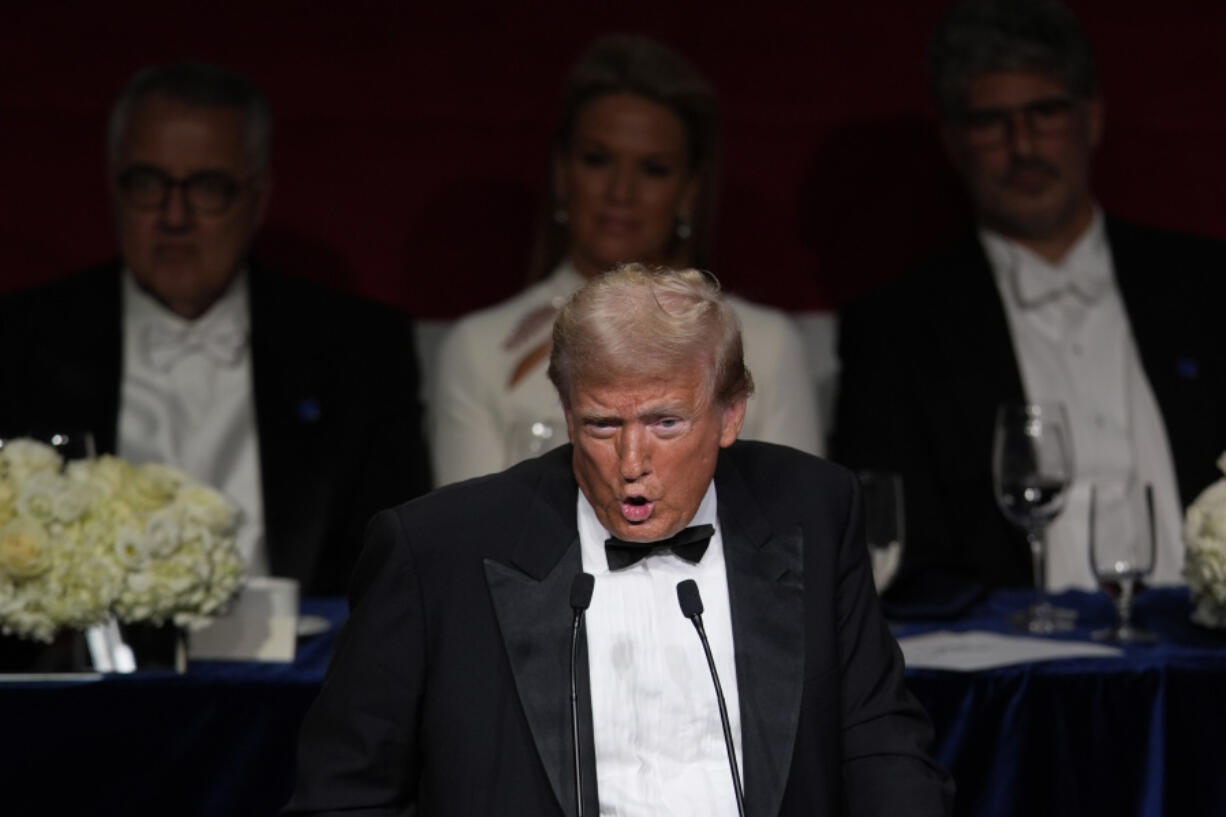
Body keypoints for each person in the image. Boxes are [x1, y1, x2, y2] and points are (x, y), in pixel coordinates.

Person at [286, 264, 951, 816]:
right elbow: (342, 798)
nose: (632, 460)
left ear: (730, 413)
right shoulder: (435, 551)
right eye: (602, 424)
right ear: (567, 408)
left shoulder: (813, 507)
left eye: (665, 421)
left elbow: (879, 743)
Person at [832, 0, 1226, 594]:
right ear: (954, 141)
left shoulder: (1208, 286)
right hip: (1016, 675)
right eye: (992, 123)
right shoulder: (896, 327)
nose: (1023, 147)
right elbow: (895, 543)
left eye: (1045, 113)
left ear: (1091, 118)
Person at [0, 62, 432, 596]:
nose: (175, 216)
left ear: (258, 197)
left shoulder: (359, 349)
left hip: (304, 674)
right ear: (113, 186)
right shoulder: (18, 342)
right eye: (148, 183)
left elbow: (396, 569)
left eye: (208, 187)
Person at [430, 34, 821, 487]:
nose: (621, 192)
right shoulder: (481, 348)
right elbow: (468, 541)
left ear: (689, 191)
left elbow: (800, 533)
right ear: (561, 173)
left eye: (653, 169)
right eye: (598, 160)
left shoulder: (766, 347)